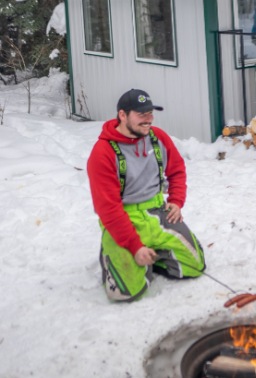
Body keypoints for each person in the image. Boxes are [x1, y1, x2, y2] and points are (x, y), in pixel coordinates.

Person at [87, 89, 206, 302]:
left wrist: (176, 201)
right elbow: (109, 210)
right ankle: (118, 257)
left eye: (150, 113)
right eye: (141, 115)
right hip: (122, 219)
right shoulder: (102, 153)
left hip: (156, 212)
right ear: (122, 115)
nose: (148, 119)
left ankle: (152, 255)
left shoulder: (158, 137)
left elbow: (177, 169)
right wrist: (135, 246)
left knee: (194, 265)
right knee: (126, 293)